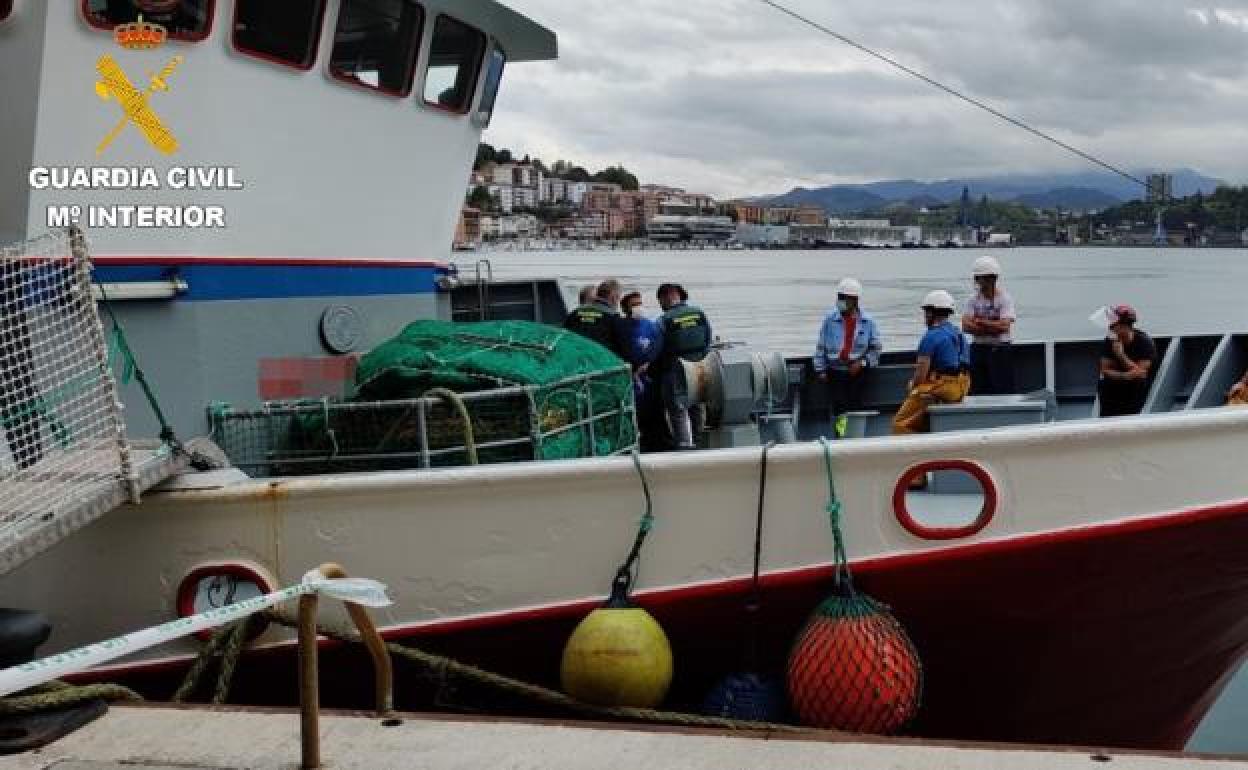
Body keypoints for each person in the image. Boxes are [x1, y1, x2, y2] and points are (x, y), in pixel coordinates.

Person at [892, 290, 971, 435]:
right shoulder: (957, 333)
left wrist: (912, 386)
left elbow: (920, 375)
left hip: (943, 387)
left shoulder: (930, 337)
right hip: (963, 386)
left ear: (931, 313)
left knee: (899, 423)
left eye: (926, 312)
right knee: (922, 417)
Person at [813, 277, 882, 437]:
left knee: (855, 404)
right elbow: (820, 346)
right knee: (840, 407)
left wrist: (862, 363)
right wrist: (820, 369)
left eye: (844, 298)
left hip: (858, 371)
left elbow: (876, 349)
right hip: (835, 370)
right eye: (839, 297)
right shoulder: (830, 319)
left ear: (855, 300)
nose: (840, 301)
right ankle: (841, 437)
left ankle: (855, 437)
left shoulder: (868, 322)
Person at [656, 283, 712, 450]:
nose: (661, 305)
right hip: (699, 368)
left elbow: (658, 347)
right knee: (697, 406)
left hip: (675, 370)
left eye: (660, 301)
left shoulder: (664, 320)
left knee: (678, 411)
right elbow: (707, 340)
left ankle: (684, 447)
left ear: (666, 297)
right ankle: (700, 443)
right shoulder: (699, 313)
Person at [962, 256, 1017, 396]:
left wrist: (980, 322)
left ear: (995, 278)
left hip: (1000, 350)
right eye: (982, 277)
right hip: (978, 349)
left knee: (1002, 388)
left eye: (989, 277)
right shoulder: (972, 300)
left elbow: (1004, 327)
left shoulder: (1005, 299)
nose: (986, 281)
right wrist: (994, 327)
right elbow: (966, 326)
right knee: (977, 389)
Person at [619, 291, 666, 450]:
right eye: (634, 305)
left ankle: (655, 445)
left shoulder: (651, 326)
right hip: (629, 380)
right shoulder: (621, 327)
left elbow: (658, 347)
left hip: (649, 380)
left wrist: (648, 363)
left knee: (654, 415)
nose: (638, 307)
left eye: (640, 303)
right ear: (625, 308)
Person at [1096, 304, 1156, 417]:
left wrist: (1121, 355)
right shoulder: (1109, 340)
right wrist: (1125, 376)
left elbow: (1141, 373)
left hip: (1134, 391)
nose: (1110, 327)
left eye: (1114, 324)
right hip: (1111, 390)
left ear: (1125, 326)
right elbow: (1105, 369)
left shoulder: (1144, 343)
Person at [563, 279, 625, 357]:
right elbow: (623, 349)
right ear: (613, 297)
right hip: (602, 363)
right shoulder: (614, 319)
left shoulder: (574, 314)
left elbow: (564, 338)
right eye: (618, 298)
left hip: (575, 359)